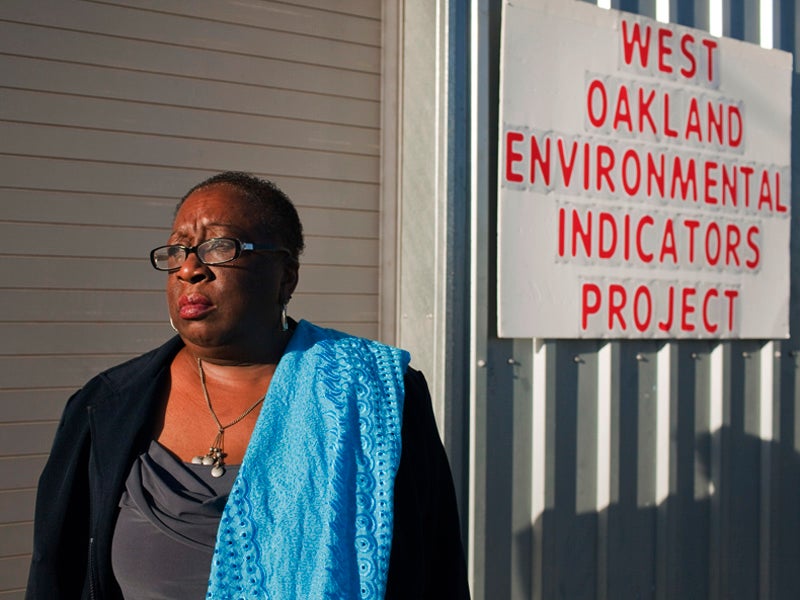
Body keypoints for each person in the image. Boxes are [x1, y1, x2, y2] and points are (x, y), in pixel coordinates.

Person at [26, 171, 469, 599]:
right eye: (178, 252)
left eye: (220, 247)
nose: (190, 269)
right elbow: (55, 573)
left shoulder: (372, 393)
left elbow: (436, 572)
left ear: (286, 277)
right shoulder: (105, 408)